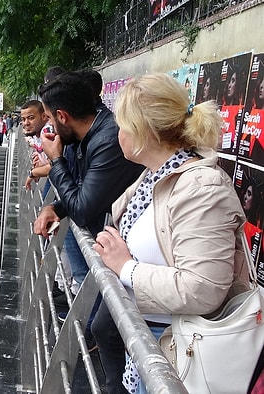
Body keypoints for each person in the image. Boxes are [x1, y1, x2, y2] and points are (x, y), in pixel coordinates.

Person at [93, 73, 251, 393]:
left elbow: (203, 288)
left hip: (179, 357)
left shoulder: (201, 187)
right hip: (155, 345)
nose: (117, 133)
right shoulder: (158, 175)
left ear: (142, 132)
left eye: (122, 124)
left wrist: (126, 267)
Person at [33, 71, 143, 393]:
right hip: (115, 252)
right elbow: (82, 193)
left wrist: (55, 161)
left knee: (107, 329)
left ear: (62, 116)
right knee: (103, 327)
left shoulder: (107, 138)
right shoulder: (90, 137)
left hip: (128, 261)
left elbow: (83, 206)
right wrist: (54, 206)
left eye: (51, 118)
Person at [21, 100, 50, 190]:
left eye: (31, 118)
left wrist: (33, 173)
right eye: (23, 119)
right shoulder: (38, 135)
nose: (26, 123)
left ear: (44, 116)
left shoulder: (47, 132)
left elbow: (55, 166)